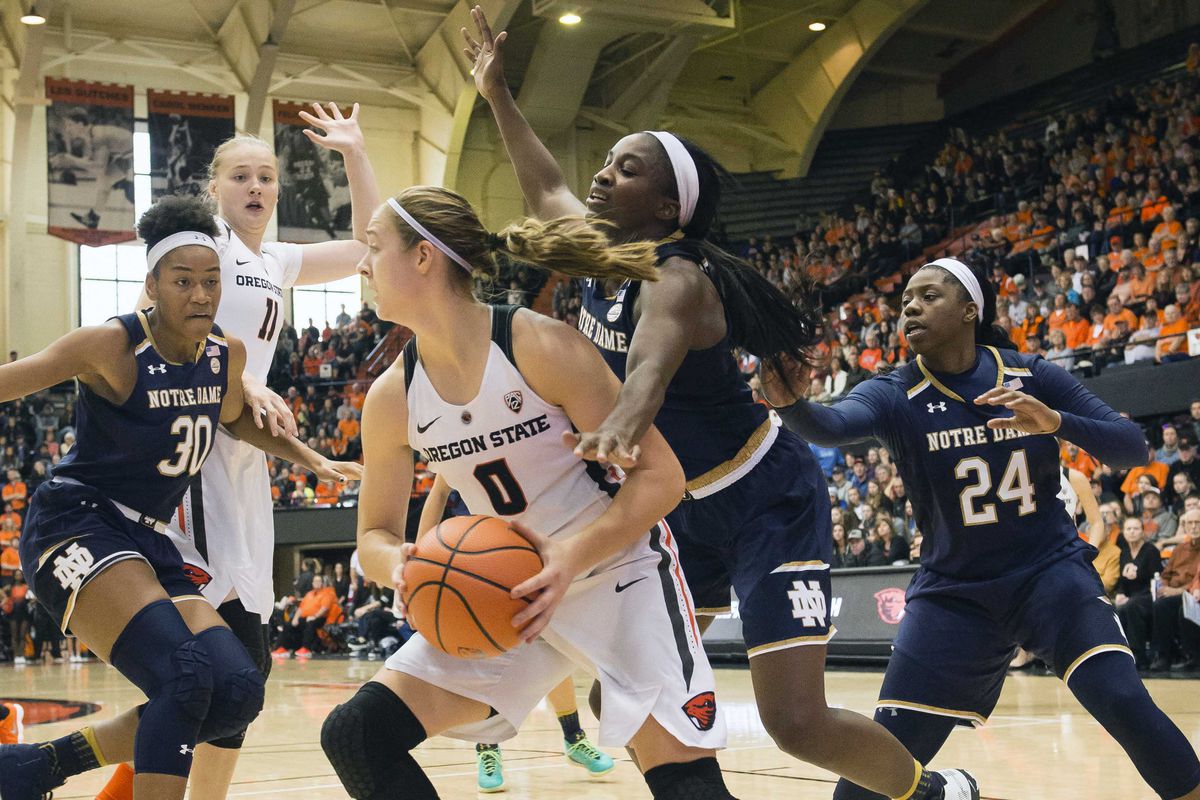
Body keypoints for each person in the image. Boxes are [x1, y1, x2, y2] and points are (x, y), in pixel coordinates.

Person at [466, 9, 976, 799]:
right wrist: (498, 93)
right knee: (620, 697)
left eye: (627, 169)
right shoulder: (603, 253)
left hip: (766, 500)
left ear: (669, 209)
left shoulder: (679, 280)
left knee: (794, 723)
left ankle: (936, 793)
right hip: (682, 510)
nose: (602, 175)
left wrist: (614, 432)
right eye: (607, 162)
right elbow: (547, 185)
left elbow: (647, 377)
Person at [320, 186, 734, 800]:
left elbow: (661, 477)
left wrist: (570, 558)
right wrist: (401, 565)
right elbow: (375, 535)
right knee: (357, 734)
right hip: (506, 593)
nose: (360, 264)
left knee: (686, 785)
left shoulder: (538, 344)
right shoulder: (390, 396)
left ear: (424, 258)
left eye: (374, 248)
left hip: (615, 574)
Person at [761, 256, 1200, 800]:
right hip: (955, 595)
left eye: (927, 296)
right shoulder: (894, 391)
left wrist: (1055, 422)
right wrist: (793, 405)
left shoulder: (1029, 372)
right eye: (904, 303)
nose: (910, 309)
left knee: (1125, 702)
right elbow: (833, 426)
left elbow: (1132, 447)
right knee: (868, 783)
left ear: (971, 309)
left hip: (1049, 575)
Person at [0, 196, 359, 800]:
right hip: (77, 522)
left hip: (147, 536)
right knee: (187, 676)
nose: (200, 295)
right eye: (183, 281)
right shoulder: (109, 346)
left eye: (211, 281)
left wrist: (310, 458)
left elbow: (235, 420)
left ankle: (32, 767)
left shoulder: (225, 354)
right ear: (153, 286)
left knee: (236, 689)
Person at [98, 102, 379, 800]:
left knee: (243, 673)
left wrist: (354, 155)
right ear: (214, 186)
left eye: (268, 177)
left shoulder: (274, 257)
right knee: (228, 661)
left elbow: (372, 246)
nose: (257, 188)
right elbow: (157, 322)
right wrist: (243, 375)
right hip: (193, 456)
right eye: (242, 176)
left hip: (247, 462)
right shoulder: (202, 245)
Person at [418, 473, 614, 791]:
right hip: (471, 565)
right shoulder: (454, 449)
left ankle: (574, 738)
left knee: (550, 641)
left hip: (523, 556)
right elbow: (437, 496)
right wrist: (421, 555)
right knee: (479, 658)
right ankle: (487, 748)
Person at [1149, 509, 1200, 672]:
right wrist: (1163, 586)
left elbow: (1197, 581)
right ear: (1184, 526)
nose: (1194, 527)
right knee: (1160, 606)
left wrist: (1176, 591)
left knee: (1183, 606)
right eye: (1189, 523)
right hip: (1173, 591)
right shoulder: (1179, 549)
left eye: (1197, 522)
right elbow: (1166, 574)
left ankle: (1191, 656)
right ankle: (1164, 655)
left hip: (1192, 593)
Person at [1114, 516, 1161, 669]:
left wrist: (1131, 596)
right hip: (1130, 597)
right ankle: (1120, 653)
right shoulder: (1124, 553)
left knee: (1131, 606)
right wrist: (1120, 593)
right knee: (1116, 607)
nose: (1132, 532)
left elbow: (1156, 578)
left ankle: (1139, 654)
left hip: (1149, 595)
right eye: (1128, 529)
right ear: (1123, 532)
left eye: (1136, 528)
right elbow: (1122, 580)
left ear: (1142, 532)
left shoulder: (1151, 551)